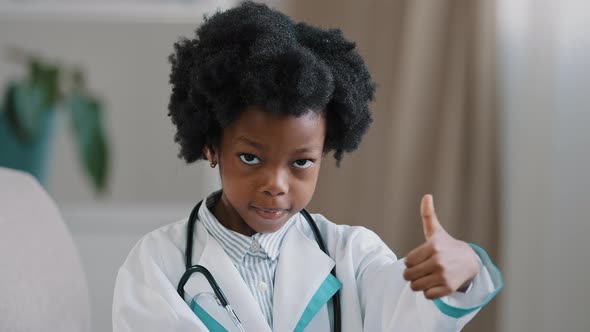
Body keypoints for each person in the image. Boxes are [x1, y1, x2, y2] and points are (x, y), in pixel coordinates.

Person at [112, 2, 503, 331]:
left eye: (301, 162)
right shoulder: (158, 264)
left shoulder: (352, 254)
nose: (277, 184)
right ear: (213, 146)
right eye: (251, 158)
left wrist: (465, 269)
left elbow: (409, 313)